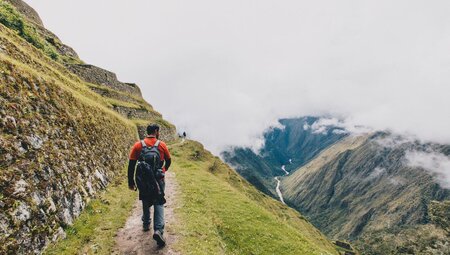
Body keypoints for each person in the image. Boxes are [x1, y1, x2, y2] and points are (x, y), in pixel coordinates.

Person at [128, 124, 171, 247]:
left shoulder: (138, 145)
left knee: (145, 199)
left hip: (144, 180)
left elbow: (131, 165)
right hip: (158, 179)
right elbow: (168, 161)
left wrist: (131, 182)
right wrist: (163, 170)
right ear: (156, 131)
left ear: (147, 132)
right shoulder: (161, 145)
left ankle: (146, 223)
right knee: (158, 202)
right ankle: (158, 230)